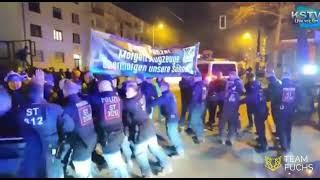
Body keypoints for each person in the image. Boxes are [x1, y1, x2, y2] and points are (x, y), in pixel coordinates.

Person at [15, 69, 75, 178]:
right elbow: (69, 126)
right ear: (42, 92)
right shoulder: (54, 108)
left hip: (29, 157)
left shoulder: (20, 111)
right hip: (51, 156)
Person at [122, 81, 172, 177]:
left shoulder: (129, 104)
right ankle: (167, 165)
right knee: (155, 148)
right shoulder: (140, 96)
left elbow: (127, 119)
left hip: (141, 131)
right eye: (126, 91)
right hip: (149, 127)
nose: (126, 93)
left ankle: (147, 174)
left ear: (135, 92)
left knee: (140, 153)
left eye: (129, 91)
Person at [90, 80, 130, 178]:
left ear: (101, 88)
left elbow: (89, 101)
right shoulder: (118, 98)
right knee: (117, 160)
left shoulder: (98, 99)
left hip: (108, 136)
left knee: (114, 162)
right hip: (119, 132)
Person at [62, 79, 97, 178]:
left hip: (80, 145)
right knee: (86, 168)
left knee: (82, 173)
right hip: (89, 139)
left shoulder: (67, 108)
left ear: (65, 91)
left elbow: (65, 128)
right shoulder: (85, 103)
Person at [150, 81, 185, 157]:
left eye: (161, 87)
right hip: (172, 117)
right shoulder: (169, 94)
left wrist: (151, 99)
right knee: (171, 134)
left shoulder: (165, 96)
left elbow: (154, 103)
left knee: (173, 135)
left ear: (165, 87)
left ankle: (179, 150)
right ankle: (177, 147)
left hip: (171, 118)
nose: (160, 88)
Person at [240, 80, 269, 152]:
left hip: (259, 114)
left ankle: (263, 147)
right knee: (261, 128)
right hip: (263, 112)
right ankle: (262, 140)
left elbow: (246, 99)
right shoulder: (261, 92)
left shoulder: (254, 94)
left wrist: (237, 102)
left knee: (260, 129)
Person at [219, 71, 244, 146]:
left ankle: (226, 139)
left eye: (231, 76)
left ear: (234, 76)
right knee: (230, 124)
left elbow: (241, 92)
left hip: (229, 108)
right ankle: (228, 139)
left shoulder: (236, 84)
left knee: (224, 124)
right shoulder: (234, 83)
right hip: (231, 108)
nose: (229, 77)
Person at [277, 72, 297, 154]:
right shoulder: (295, 86)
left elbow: (276, 98)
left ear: (283, 78)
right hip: (291, 111)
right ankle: (288, 145)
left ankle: (284, 146)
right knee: (289, 129)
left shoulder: (280, 86)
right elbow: (298, 98)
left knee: (282, 129)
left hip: (282, 111)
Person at [187, 73, 207, 144]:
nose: (193, 79)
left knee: (194, 122)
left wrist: (190, 106)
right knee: (198, 121)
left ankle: (200, 138)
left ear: (197, 78)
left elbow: (194, 98)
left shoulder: (198, 86)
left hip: (197, 105)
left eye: (194, 77)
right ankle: (200, 135)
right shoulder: (203, 84)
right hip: (202, 104)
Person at [265, 70, 282, 140]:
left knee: (276, 119)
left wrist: (266, 98)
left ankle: (279, 134)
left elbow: (270, 95)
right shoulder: (279, 82)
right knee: (278, 119)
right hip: (280, 103)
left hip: (275, 104)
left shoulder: (271, 84)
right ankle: (278, 132)